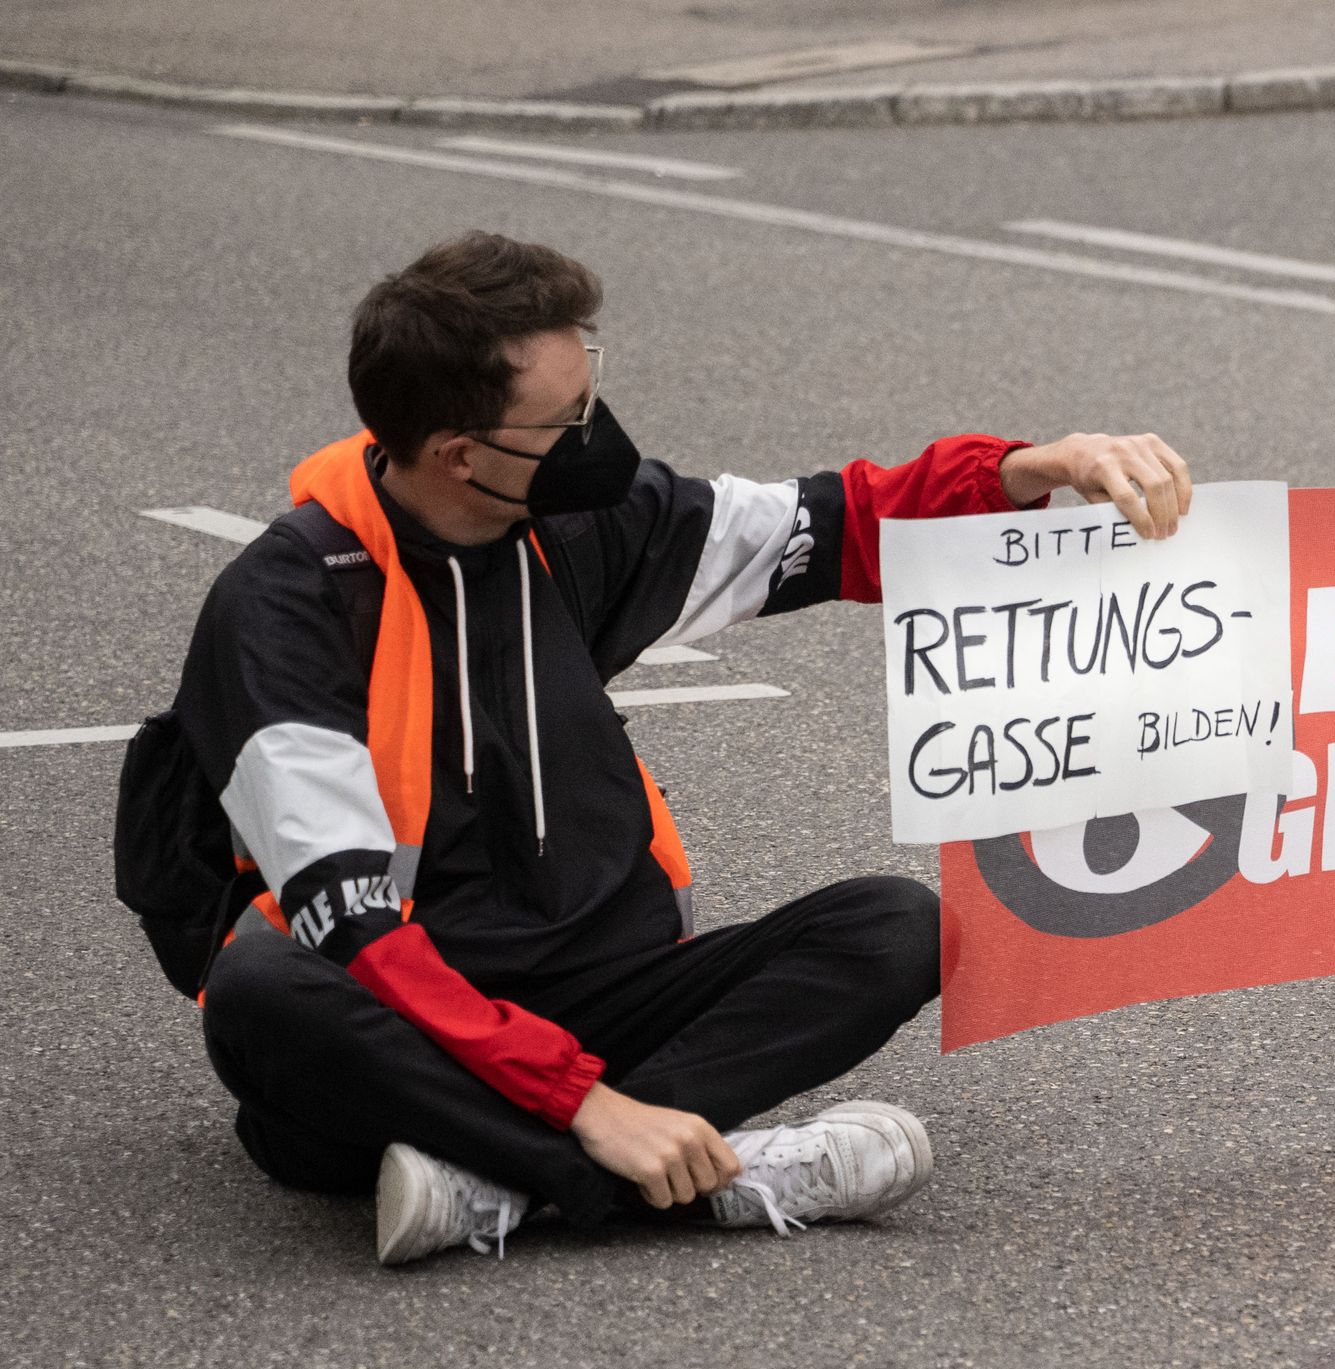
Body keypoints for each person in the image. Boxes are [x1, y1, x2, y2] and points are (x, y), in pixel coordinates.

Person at [166, 230, 1198, 1265]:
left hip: (605, 998)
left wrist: (1033, 470)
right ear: (458, 455)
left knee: (898, 928)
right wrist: (583, 1107)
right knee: (264, 992)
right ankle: (687, 1173)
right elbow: (352, 928)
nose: (594, 436)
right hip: (411, 1022)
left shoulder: (581, 524)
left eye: (592, 394)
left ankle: (499, 1185)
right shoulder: (284, 609)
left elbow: (830, 526)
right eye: (563, 423)